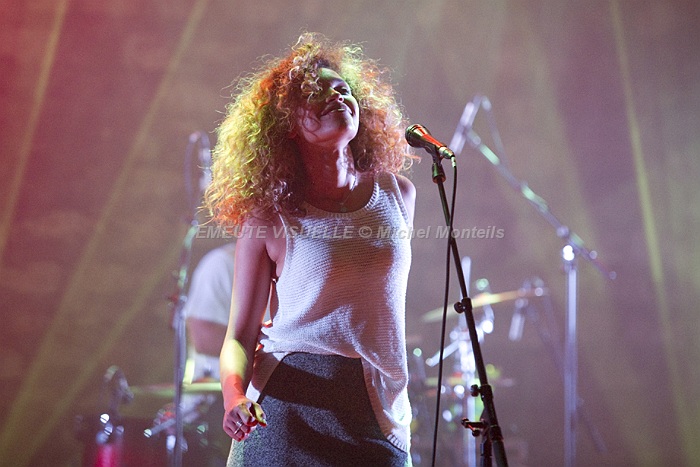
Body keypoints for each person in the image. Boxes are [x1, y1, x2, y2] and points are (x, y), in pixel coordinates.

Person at [205, 32, 418, 466]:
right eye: (316, 94)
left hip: (377, 408)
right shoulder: (269, 217)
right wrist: (234, 397)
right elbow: (239, 337)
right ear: (285, 123)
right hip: (286, 408)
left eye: (342, 89)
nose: (336, 97)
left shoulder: (399, 194)